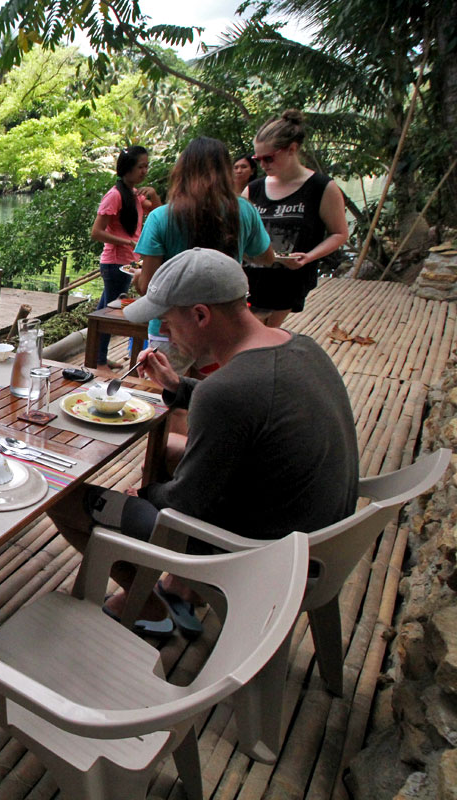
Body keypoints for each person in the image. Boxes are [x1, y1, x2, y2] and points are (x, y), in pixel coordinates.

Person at [48, 248, 359, 636]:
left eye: (168, 320)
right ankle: (179, 591)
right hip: (315, 543)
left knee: (62, 497)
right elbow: (251, 408)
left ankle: (149, 609)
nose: (166, 332)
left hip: (252, 557)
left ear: (200, 315)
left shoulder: (228, 391)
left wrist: (145, 493)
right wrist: (180, 388)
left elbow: (181, 505)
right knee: (165, 451)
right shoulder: (301, 346)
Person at [135, 136, 276, 377]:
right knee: (214, 398)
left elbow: (148, 287)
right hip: (223, 327)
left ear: (182, 170)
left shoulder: (161, 217)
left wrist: (137, 277)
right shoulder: (244, 211)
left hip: (171, 328)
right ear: (225, 171)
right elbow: (266, 258)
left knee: (166, 401)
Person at [243, 109, 349, 328]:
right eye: (258, 159)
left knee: (263, 338)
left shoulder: (321, 188)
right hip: (249, 280)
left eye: (269, 158)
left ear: (292, 149)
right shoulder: (253, 190)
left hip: (287, 284)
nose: (263, 165)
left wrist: (309, 257)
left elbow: (339, 233)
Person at [90, 145, 161, 368]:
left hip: (128, 263)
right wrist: (128, 242)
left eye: (147, 166)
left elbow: (160, 213)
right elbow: (96, 232)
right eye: (141, 167)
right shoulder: (114, 196)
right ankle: (98, 359)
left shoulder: (133, 195)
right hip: (114, 264)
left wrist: (155, 194)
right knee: (109, 313)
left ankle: (100, 357)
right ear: (127, 169)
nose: (145, 171)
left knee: (105, 310)